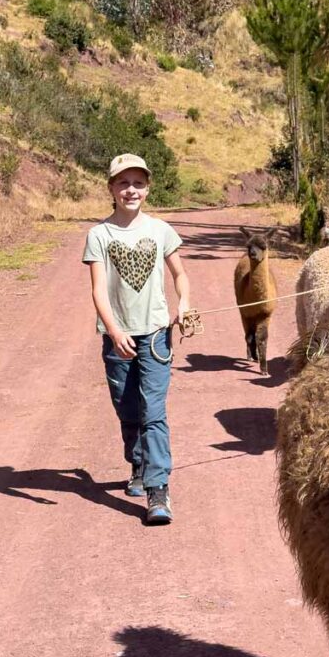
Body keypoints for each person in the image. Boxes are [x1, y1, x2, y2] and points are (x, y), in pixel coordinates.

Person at [82, 154, 191, 525]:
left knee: (153, 411)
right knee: (127, 410)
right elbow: (98, 291)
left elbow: (180, 276)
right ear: (111, 189)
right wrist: (114, 331)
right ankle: (139, 464)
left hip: (157, 335)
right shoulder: (99, 235)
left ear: (148, 188)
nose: (131, 190)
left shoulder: (161, 230)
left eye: (138, 183)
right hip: (117, 337)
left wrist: (185, 304)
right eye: (123, 183)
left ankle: (157, 489)